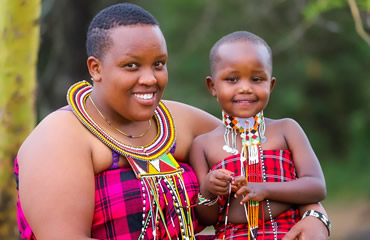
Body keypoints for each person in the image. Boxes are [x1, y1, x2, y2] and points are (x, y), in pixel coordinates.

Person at [14, 3, 330, 240]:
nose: (150, 79)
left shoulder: (176, 119)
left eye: (159, 64)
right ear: (96, 68)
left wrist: (316, 215)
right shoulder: (59, 138)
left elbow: (274, 161)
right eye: (132, 65)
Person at [189, 31, 331, 240]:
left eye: (257, 79)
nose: (245, 88)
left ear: (270, 85)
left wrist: (264, 189)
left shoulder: (286, 130)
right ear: (212, 86)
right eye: (232, 79)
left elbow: (316, 187)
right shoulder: (202, 145)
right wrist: (209, 189)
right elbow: (207, 218)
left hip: (288, 233)